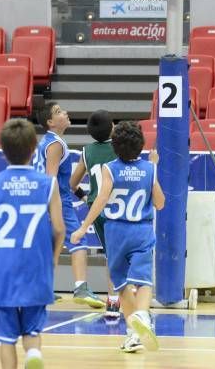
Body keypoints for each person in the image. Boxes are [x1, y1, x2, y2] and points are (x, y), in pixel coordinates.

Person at [0, 119, 65, 369]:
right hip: (36, 264)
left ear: (3, 151)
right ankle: (33, 352)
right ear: (34, 149)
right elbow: (59, 228)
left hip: (3, 268)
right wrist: (55, 257)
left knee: (6, 338)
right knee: (32, 330)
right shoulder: (49, 184)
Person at [71, 121, 165, 353]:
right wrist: (154, 169)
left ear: (115, 146)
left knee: (122, 285)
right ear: (140, 144)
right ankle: (142, 315)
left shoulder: (110, 169)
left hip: (115, 233)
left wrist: (83, 227)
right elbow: (160, 203)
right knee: (143, 281)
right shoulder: (149, 169)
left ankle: (133, 333)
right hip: (141, 231)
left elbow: (100, 200)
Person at [34, 102, 104, 309]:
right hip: (56, 200)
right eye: (58, 112)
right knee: (79, 241)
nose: (65, 113)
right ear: (50, 122)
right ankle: (81, 288)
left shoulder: (44, 142)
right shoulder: (56, 144)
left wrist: (80, 195)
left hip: (42, 199)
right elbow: (51, 179)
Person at [68, 109, 120, 320]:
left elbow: (72, 184)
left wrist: (84, 197)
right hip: (118, 206)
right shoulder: (120, 147)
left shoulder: (86, 151)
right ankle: (124, 301)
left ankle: (113, 304)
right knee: (124, 256)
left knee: (110, 256)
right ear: (113, 127)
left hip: (96, 209)